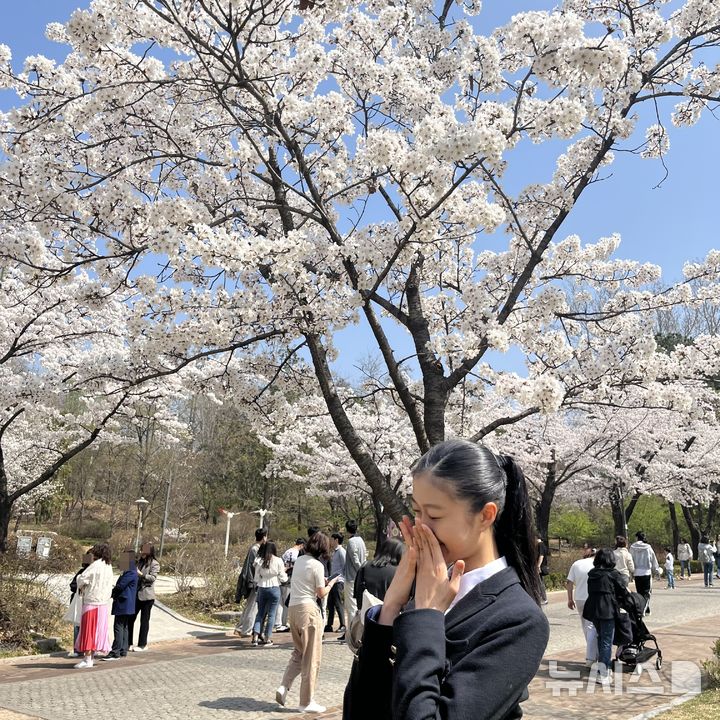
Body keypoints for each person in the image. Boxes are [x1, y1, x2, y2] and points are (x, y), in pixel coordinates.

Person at [343, 439, 549, 720]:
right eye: (416, 512)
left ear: (485, 515)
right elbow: (359, 711)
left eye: (435, 514)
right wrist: (390, 608)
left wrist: (426, 617)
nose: (421, 526)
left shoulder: (518, 620)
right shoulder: (425, 590)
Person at [276, 531, 340, 714]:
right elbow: (321, 593)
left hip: (294, 611)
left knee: (299, 652)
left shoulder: (300, 562)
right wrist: (332, 583)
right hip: (308, 611)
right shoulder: (317, 565)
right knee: (311, 657)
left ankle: (284, 686)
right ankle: (306, 702)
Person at [582, 549, 629, 684]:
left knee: (601, 637)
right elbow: (622, 590)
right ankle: (603, 672)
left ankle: (602, 668)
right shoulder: (613, 574)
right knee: (606, 640)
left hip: (593, 608)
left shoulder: (592, 574)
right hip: (607, 610)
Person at [73, 543, 114, 669]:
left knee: (88, 630)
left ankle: (87, 658)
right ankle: (92, 655)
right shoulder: (108, 566)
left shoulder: (95, 566)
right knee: (98, 630)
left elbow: (82, 579)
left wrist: (80, 579)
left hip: (91, 602)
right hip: (103, 603)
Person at [566, 543, 598, 668]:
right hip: (594, 598)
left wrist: (569, 599)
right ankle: (592, 657)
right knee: (593, 627)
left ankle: (592, 655)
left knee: (586, 627)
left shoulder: (577, 563)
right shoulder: (598, 565)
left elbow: (569, 582)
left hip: (579, 599)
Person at [103, 550, 138, 660]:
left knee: (118, 627)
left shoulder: (130, 572)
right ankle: (123, 649)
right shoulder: (130, 571)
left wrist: (111, 593)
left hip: (124, 603)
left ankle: (115, 651)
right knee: (124, 627)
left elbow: (120, 586)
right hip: (127, 604)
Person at [252, 541, 287, 646]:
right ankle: (267, 638)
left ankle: (255, 637)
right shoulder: (278, 560)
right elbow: (283, 577)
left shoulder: (259, 560)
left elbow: (256, 577)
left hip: (262, 587)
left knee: (260, 613)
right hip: (274, 587)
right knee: (271, 614)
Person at [235, 528, 267, 636]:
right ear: (264, 537)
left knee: (249, 605)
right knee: (252, 607)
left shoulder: (254, 548)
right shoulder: (256, 550)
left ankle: (240, 627)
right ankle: (246, 629)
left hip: (252, 580)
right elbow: (255, 567)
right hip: (254, 582)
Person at [353, 538, 405, 605]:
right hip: (388, 612)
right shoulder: (398, 572)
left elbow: (357, 593)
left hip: (367, 612)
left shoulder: (364, 566)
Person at [128, 542, 160, 651]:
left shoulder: (154, 563)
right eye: (141, 549)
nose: (141, 552)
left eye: (143, 550)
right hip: (136, 595)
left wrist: (140, 574)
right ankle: (128, 642)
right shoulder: (139, 562)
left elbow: (152, 578)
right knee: (130, 618)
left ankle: (142, 644)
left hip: (147, 596)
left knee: (144, 621)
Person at [276, 538, 305, 631]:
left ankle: (280, 622)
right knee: (286, 601)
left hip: (282, 577)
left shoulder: (287, 552)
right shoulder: (296, 554)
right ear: (302, 545)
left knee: (281, 601)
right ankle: (280, 623)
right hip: (289, 578)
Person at [343, 520, 367, 635]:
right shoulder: (361, 540)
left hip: (352, 577)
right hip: (358, 577)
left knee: (351, 607)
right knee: (356, 606)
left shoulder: (351, 541)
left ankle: (352, 633)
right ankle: (355, 631)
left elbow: (355, 559)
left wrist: (360, 571)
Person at [67, 551, 92, 658]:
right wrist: (80, 587)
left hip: (89, 602)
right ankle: (77, 649)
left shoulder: (95, 574)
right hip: (78, 602)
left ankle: (88, 648)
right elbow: (72, 585)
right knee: (77, 625)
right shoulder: (81, 572)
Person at [629, 531, 660, 615]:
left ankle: (646, 609)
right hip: (646, 572)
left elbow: (630, 560)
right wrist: (656, 571)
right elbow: (653, 559)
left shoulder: (632, 547)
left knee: (640, 592)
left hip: (637, 572)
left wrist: (631, 573)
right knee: (646, 592)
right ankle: (643, 609)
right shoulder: (648, 547)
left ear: (637, 538)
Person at [325, 533, 346, 633]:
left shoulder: (341, 551)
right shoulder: (335, 552)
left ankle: (343, 625)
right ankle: (329, 625)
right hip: (332, 581)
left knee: (338, 603)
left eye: (332, 539)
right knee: (330, 603)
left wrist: (337, 578)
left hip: (338, 581)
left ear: (336, 540)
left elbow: (344, 567)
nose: (330, 541)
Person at [537, 537, 549, 604]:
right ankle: (542, 598)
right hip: (542, 566)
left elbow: (541, 556)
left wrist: (538, 566)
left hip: (540, 567)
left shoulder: (540, 545)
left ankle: (544, 599)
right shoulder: (543, 545)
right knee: (540, 582)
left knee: (540, 583)